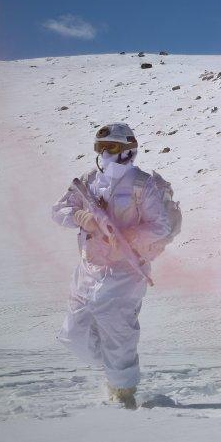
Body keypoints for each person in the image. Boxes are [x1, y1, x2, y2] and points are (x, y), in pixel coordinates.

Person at [52, 123, 181, 409]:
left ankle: (124, 394)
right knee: (73, 333)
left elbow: (159, 226)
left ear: (127, 150)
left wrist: (126, 239)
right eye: (100, 148)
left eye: (111, 147)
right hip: (89, 269)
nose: (105, 154)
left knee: (118, 332)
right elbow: (58, 211)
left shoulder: (143, 184)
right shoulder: (87, 182)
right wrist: (82, 217)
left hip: (126, 271)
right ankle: (111, 368)